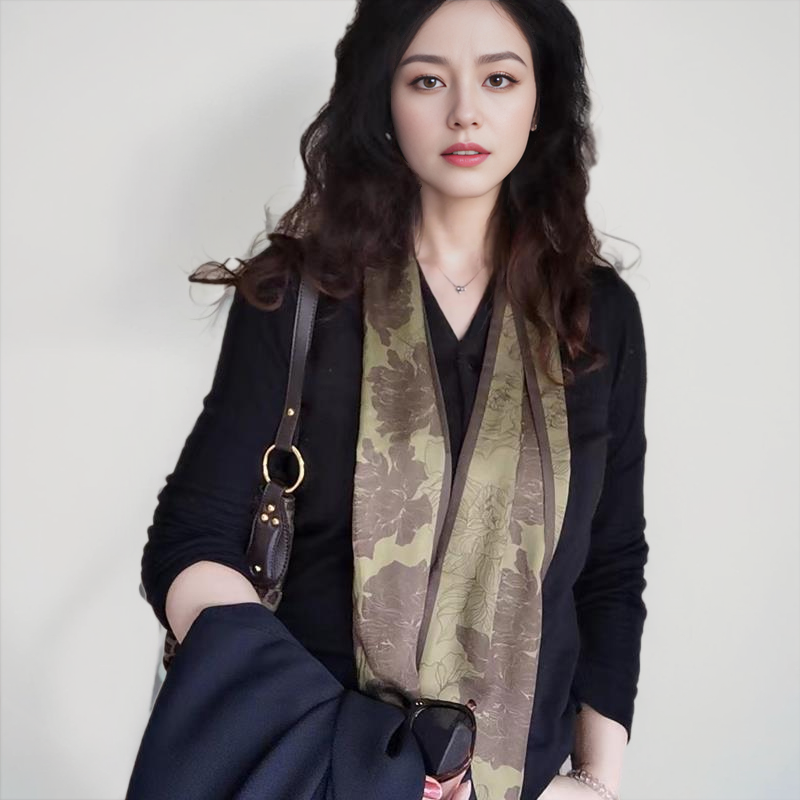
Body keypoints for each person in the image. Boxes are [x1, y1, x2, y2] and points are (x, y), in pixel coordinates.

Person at [127, 1, 649, 799]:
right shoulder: (299, 296)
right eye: (427, 80)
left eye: (499, 79)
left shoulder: (595, 316)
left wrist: (597, 783)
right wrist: (330, 732)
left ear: (541, 100)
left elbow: (609, 565)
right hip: (319, 771)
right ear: (383, 99)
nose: (465, 111)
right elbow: (190, 540)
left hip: (519, 783)